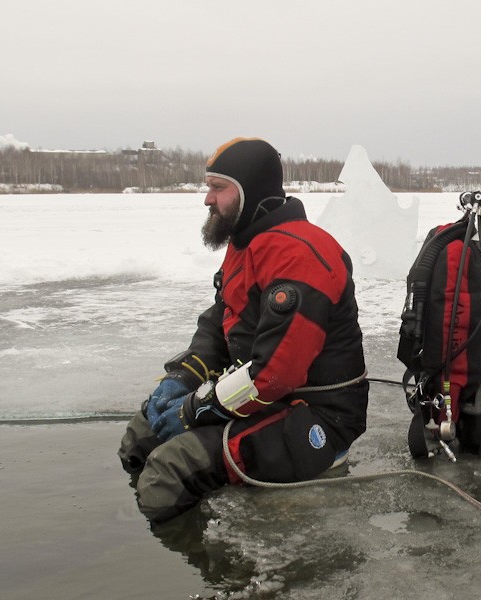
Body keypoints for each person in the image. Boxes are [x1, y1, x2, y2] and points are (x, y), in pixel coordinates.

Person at [118, 137, 369, 523]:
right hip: (259, 399)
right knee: (140, 437)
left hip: (314, 414)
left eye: (218, 188)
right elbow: (220, 324)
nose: (207, 199)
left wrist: (195, 410)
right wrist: (182, 379)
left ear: (249, 192)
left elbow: (273, 375)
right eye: (209, 187)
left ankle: (208, 563)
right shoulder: (247, 243)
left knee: (166, 476)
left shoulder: (299, 255)